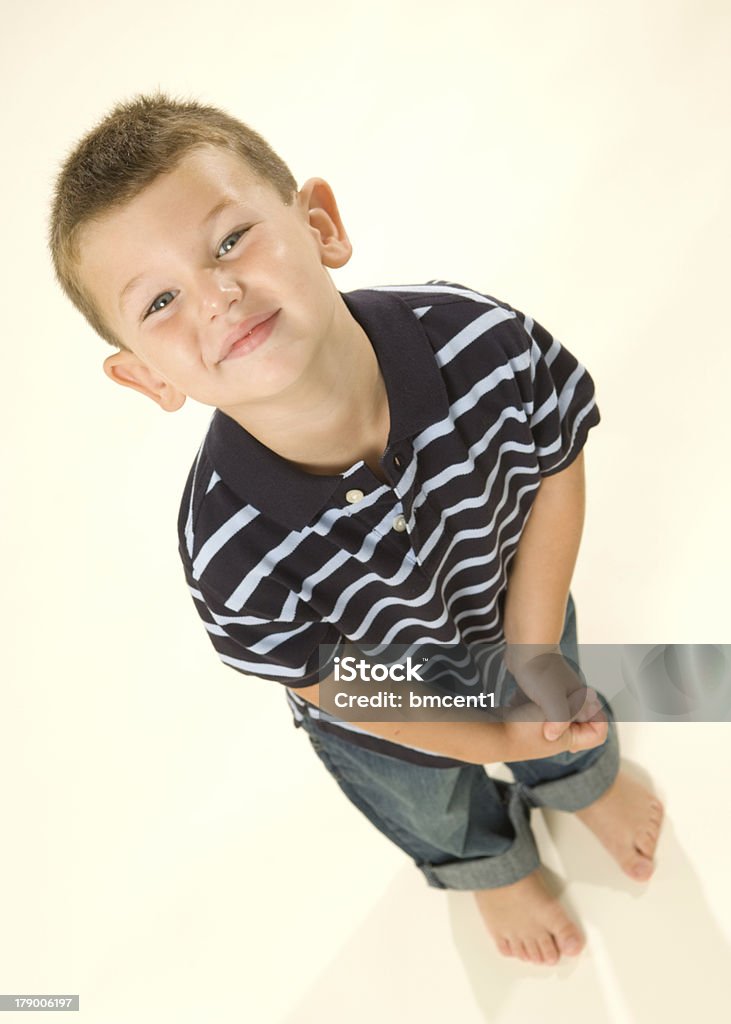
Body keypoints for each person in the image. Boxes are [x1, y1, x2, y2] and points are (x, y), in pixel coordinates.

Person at [48, 91, 664, 967]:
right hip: (383, 711)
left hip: (515, 603)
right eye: (159, 303)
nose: (217, 296)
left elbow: (556, 468)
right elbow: (337, 686)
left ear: (320, 226)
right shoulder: (227, 547)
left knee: (565, 710)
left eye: (230, 240)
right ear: (146, 377)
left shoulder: (480, 342)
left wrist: (529, 659)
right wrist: (486, 735)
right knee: (427, 801)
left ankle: (578, 785)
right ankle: (486, 865)